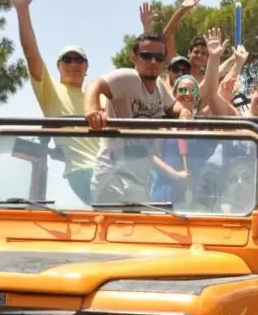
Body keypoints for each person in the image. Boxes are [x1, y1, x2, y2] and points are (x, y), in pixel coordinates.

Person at [2, 0, 99, 203]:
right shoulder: (51, 91)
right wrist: (22, 10)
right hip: (85, 172)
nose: (74, 64)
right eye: (68, 60)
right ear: (59, 66)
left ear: (86, 67)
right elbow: (31, 54)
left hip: (111, 168)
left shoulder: (97, 97)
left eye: (79, 60)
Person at [81, 33, 194, 202]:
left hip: (140, 179)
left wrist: (185, 113)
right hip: (113, 176)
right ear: (134, 57)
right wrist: (93, 110)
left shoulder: (159, 88)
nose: (153, 62)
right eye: (146, 56)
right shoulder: (128, 78)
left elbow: (175, 108)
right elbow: (95, 84)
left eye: (159, 57)